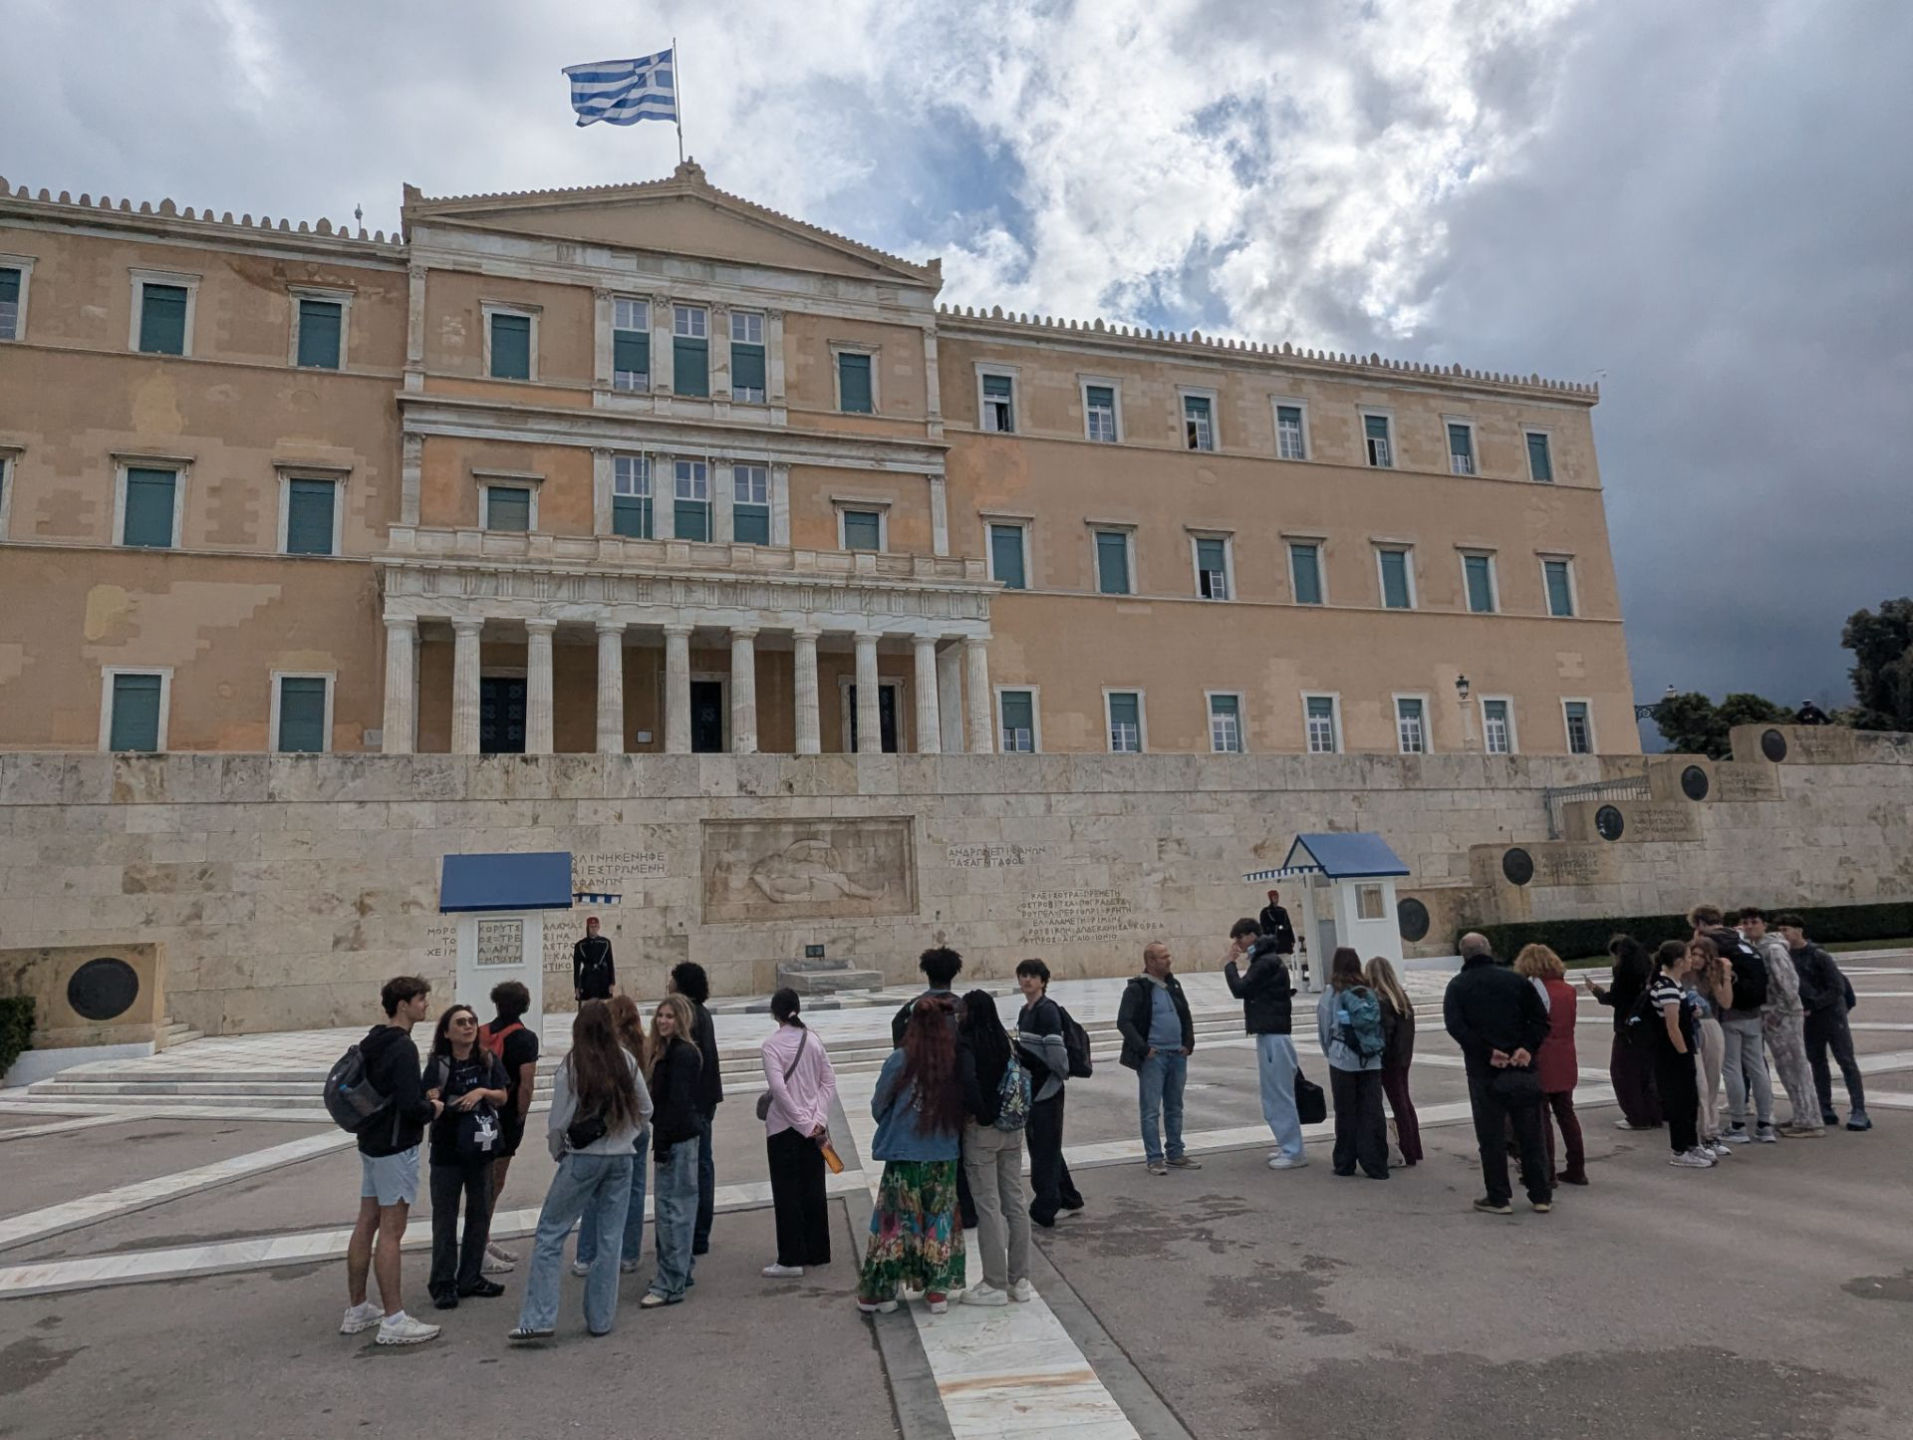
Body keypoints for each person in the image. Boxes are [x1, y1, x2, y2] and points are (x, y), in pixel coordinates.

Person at [507, 1000, 650, 1342]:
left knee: (551, 1232)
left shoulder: (574, 1064)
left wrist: (558, 1150)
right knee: (610, 1239)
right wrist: (625, 1134)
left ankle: (539, 1317)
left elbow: (558, 1119)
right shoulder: (625, 1060)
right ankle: (601, 1318)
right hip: (621, 1157)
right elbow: (646, 1109)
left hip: (584, 1156)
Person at [341, 975, 444, 1346]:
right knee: (391, 1230)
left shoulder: (374, 1039)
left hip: (371, 1141)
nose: (425, 1005)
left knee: (367, 1221)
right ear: (403, 1004)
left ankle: (357, 1308)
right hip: (396, 1145)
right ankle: (394, 1318)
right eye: (421, 999)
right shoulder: (403, 1047)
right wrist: (433, 1107)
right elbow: (408, 1105)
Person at [858, 996, 966, 1315]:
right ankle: (937, 1291)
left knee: (894, 1223)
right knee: (939, 1218)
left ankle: (882, 1292)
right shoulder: (951, 1061)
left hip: (905, 1154)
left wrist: (897, 1121)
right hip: (943, 1152)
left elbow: (879, 1105)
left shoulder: (899, 1060)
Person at [1444, 934, 1552, 1214]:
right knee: (1531, 1133)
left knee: (1491, 1137)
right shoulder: (1516, 980)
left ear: (1463, 955)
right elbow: (1540, 1019)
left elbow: (1456, 1026)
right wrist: (1527, 1047)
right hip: (1521, 1067)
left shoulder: (1458, 986)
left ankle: (1499, 1196)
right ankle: (1541, 1194)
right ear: (1489, 950)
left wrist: (1486, 1051)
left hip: (1484, 1071)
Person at [422, 1004, 510, 1309]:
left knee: (479, 1213)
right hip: (447, 1151)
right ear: (447, 1032)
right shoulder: (438, 1065)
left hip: (480, 1150)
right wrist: (439, 1101)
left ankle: (470, 1277)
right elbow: (427, 1098)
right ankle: (443, 1283)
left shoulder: (487, 1059)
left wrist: (482, 1093)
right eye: (460, 1023)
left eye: (471, 1021)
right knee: (444, 1218)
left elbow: (503, 1095)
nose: (468, 1027)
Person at [891, 945, 978, 1231]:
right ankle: (966, 1210)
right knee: (960, 1152)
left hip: (923, 1091)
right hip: (957, 1090)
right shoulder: (963, 1009)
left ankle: (929, 1211)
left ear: (926, 973)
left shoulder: (914, 1009)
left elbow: (899, 1044)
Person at [957, 989, 1034, 1306]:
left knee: (988, 1206)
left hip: (983, 1131)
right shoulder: (1005, 1041)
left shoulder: (966, 1042)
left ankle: (995, 1283)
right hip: (1012, 1128)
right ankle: (1020, 1279)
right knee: (1015, 1201)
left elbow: (968, 1081)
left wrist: (982, 1113)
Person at [761, 987, 838, 1278]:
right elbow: (828, 1081)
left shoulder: (771, 1046)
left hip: (784, 1128)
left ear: (774, 1013)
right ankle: (817, 1251)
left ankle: (791, 1258)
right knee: (813, 1188)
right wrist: (817, 1120)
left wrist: (803, 1123)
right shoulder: (813, 1039)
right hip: (815, 1129)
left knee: (787, 1192)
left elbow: (779, 1090)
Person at [574, 995, 652, 1279]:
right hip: (637, 1126)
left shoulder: (608, 1050)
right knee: (634, 1192)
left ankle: (587, 1255)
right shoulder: (644, 1045)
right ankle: (629, 1254)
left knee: (596, 1194)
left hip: (610, 1126)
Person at [1225, 920, 1307, 1170]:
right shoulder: (1265, 960)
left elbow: (1240, 989)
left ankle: (1293, 1151)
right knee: (1273, 1093)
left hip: (1274, 1034)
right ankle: (1287, 1145)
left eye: (1240, 938)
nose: (1238, 945)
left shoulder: (1266, 962)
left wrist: (1229, 964)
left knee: (1279, 1094)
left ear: (1252, 936)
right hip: (1270, 1032)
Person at [1691, 905, 1775, 1144]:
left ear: (1700, 923)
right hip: (1753, 1012)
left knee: (1732, 1068)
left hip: (1727, 1015)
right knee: (1758, 1067)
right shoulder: (1741, 940)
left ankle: (1738, 1124)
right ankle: (1765, 1124)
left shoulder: (1711, 944)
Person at [1778, 913, 1869, 1131]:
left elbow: (1837, 987)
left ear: (1799, 931)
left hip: (1831, 1014)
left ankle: (1859, 1110)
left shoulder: (1818, 955)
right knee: (1817, 1062)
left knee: (1845, 1060)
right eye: (1780, 931)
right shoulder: (1785, 957)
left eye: (1785, 930)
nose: (1783, 935)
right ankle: (1825, 1107)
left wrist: (1815, 1005)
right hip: (1809, 1017)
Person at [1116, 941, 1200, 1176]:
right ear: (1151, 961)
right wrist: (1144, 1049)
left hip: (1177, 1055)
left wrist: (1188, 1044)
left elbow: (1185, 1015)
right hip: (1155, 1058)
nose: (1169, 960)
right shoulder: (1138, 988)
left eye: (1168, 955)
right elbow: (1124, 1021)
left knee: (1175, 1107)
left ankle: (1175, 1153)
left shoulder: (1173, 985)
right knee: (1151, 1110)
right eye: (1163, 957)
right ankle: (1154, 1158)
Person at [644, 993, 705, 1306]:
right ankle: (680, 1271)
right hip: (677, 1135)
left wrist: (664, 1142)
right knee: (677, 1208)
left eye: (669, 1016)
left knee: (672, 1210)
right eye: (660, 1015)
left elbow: (677, 1103)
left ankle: (670, 1283)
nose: (663, 1021)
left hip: (676, 1138)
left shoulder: (681, 1054)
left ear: (681, 1019)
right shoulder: (670, 1051)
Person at [1742, 907, 1824, 1136]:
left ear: (1763, 924)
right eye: (1746, 922)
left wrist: (1780, 1012)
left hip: (1784, 1016)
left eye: (1754, 922)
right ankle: (1801, 1115)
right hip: (1772, 1015)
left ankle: (1810, 1121)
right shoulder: (1755, 948)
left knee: (1796, 1068)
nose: (1749, 926)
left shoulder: (1774, 950)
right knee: (1786, 1069)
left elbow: (1789, 984)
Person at [1015, 958, 1083, 1228]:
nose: (1026, 980)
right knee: (1046, 1147)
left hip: (1047, 1090)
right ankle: (1070, 1198)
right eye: (1023, 975)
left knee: (1044, 1150)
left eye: (1032, 976)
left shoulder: (1047, 1011)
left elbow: (1057, 1054)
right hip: (1033, 1089)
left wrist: (1058, 1074)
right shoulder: (1025, 1012)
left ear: (1043, 981)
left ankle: (1047, 1206)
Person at [477, 980, 540, 1277]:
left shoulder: (481, 1033)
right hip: (506, 1115)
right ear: (524, 1006)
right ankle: (479, 1245)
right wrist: (521, 1116)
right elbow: (526, 1084)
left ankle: (484, 1238)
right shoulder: (526, 1038)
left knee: (484, 1180)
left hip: (480, 1114)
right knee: (493, 1182)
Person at [1512, 946, 1585, 1185]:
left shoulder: (1533, 991)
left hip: (1542, 1056)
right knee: (1566, 1113)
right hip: (1566, 1055)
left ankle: (1547, 1171)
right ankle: (1577, 1167)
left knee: (1541, 1118)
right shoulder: (1568, 990)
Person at [1316, 947, 1388, 1180]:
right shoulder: (1369, 991)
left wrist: (1330, 1053)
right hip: (1371, 1059)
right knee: (1372, 1110)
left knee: (1346, 1111)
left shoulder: (1331, 994)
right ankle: (1376, 1163)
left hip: (1342, 1059)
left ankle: (1345, 1162)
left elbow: (1325, 1028)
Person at [667, 962, 725, 1256]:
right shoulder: (702, 1012)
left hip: (693, 1103)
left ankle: (694, 1233)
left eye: (672, 979)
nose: (668, 984)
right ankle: (699, 1232)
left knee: (693, 1168)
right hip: (705, 1099)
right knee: (702, 1164)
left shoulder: (687, 1015)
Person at [1645, 940, 1713, 1168]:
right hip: (1672, 1054)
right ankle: (1680, 1149)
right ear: (1678, 961)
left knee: (1690, 1099)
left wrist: (1691, 1012)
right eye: (1688, 956)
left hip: (1681, 1050)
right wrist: (1684, 1054)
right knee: (1679, 1101)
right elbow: (1672, 1027)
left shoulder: (1675, 984)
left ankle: (1692, 1143)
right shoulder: (1666, 987)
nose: (1691, 960)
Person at [1584, 935, 1662, 1130]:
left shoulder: (1624, 974)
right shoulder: (1648, 971)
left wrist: (1596, 990)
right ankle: (1654, 1114)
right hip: (1647, 1028)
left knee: (1624, 1074)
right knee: (1646, 1074)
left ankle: (1637, 1116)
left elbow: (1614, 999)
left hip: (1627, 1029)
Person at [1365, 954, 1421, 1167]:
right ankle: (1414, 1147)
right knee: (1404, 1101)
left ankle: (1407, 1149)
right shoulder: (1400, 997)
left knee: (1398, 1103)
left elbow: (1385, 1033)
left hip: (1389, 1060)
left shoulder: (1381, 1001)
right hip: (1403, 1057)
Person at [1684, 936, 1733, 1158]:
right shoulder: (1681, 975)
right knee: (1699, 1085)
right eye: (1693, 954)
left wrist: (1724, 975)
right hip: (1689, 1028)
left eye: (1701, 956)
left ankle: (1711, 1134)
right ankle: (1698, 1134)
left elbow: (1726, 1002)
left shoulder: (1710, 977)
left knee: (1712, 1082)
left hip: (1710, 1025)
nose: (1696, 960)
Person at [573, 915, 616, 1004]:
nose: (593, 929)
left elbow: (610, 963)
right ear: (587, 928)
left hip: (602, 979)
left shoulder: (605, 943)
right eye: (591, 927)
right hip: (588, 979)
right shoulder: (580, 945)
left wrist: (612, 983)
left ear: (599, 927)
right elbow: (576, 968)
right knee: (588, 1007)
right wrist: (576, 986)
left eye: (595, 926)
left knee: (603, 1006)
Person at [1258, 890, 1296, 954]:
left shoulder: (1282, 910)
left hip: (1284, 940)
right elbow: (1264, 927)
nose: (1276, 899)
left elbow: (1288, 925)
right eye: (1274, 897)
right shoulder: (1266, 912)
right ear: (1270, 898)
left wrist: (1291, 939)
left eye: (1277, 897)